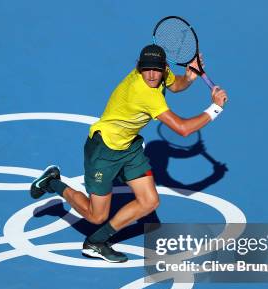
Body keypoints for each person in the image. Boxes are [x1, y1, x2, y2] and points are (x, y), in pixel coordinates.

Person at [30, 44, 228, 263]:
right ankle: (53, 182)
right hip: (104, 150)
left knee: (149, 201)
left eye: (156, 70)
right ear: (138, 68)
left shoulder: (158, 73)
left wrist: (189, 77)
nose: (152, 75)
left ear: (164, 67)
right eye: (146, 70)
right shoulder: (144, 93)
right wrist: (215, 108)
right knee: (97, 215)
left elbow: (175, 85)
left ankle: (96, 242)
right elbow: (183, 129)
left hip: (129, 147)